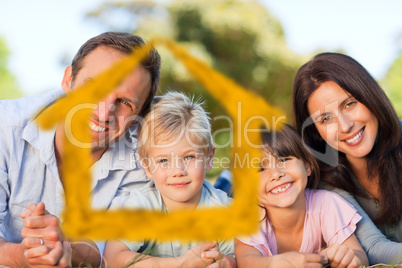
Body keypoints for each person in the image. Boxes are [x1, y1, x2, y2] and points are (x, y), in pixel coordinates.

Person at [0, 32, 161, 267]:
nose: (104, 113)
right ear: (68, 79)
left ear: (138, 117)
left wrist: (64, 247)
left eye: (125, 102)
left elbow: (110, 254)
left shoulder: (144, 161)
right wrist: (26, 256)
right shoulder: (5, 127)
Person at [104, 92, 236, 267]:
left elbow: (243, 259)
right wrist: (180, 263)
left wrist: (227, 263)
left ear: (209, 158)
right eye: (163, 160)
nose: (177, 171)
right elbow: (113, 259)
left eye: (189, 157)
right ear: (147, 166)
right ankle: (226, 180)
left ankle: (227, 181)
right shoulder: (142, 205)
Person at [292, 52, 402, 264]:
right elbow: (372, 247)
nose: (345, 126)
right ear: (316, 131)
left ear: (370, 96)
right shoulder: (324, 181)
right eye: (325, 118)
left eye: (349, 104)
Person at [235, 124, 368, 268]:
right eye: (260, 168)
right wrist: (278, 263)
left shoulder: (326, 203)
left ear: (307, 165)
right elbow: (245, 262)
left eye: (284, 160)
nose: (276, 174)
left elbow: (359, 255)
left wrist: (348, 258)